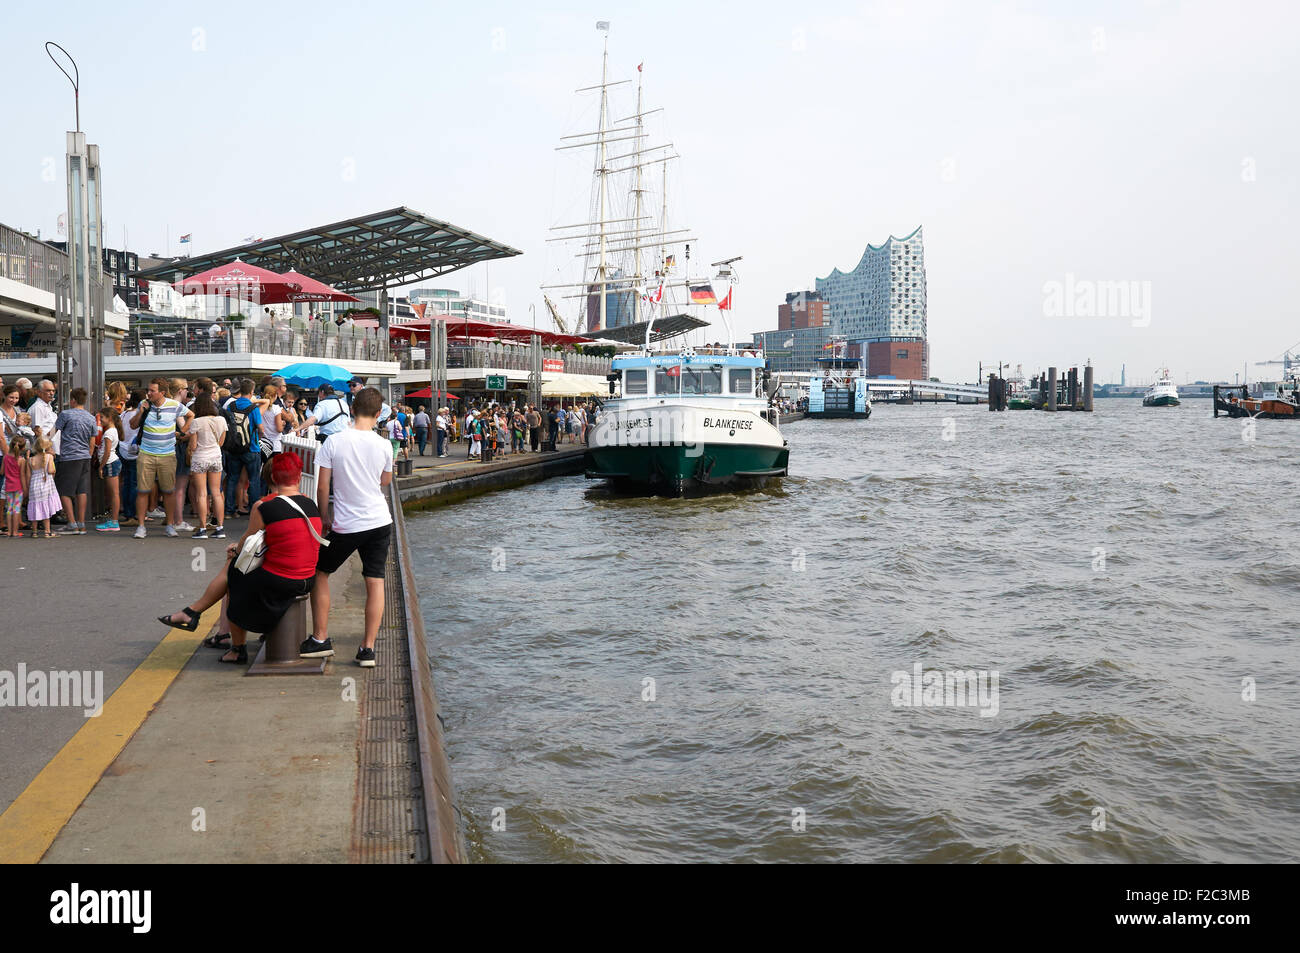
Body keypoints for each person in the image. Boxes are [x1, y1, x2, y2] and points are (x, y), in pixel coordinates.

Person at [157, 453, 324, 665]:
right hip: (307, 579)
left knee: (234, 577)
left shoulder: (263, 507)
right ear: (299, 477)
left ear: (272, 476)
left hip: (281, 580)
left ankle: (235, 648)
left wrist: (233, 551)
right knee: (237, 571)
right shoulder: (310, 504)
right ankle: (193, 614)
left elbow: (246, 544)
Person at [304, 386, 393, 667]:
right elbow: (385, 481)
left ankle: (320, 638)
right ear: (379, 414)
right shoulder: (384, 444)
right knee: (375, 580)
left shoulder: (334, 442)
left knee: (320, 572)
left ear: (352, 409)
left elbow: (322, 486)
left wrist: (323, 517)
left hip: (346, 524)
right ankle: (367, 649)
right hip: (379, 521)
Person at [130, 377, 188, 539]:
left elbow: (190, 415)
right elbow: (133, 425)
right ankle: (141, 526)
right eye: (148, 390)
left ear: (162, 392)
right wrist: (141, 411)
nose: (148, 393)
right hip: (146, 454)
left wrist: (183, 433)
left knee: (169, 491)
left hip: (167, 454)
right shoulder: (144, 404)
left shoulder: (174, 405)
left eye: (152, 391)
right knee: (142, 491)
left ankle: (170, 525)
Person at [50, 387, 98, 534]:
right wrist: (88, 455)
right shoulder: (90, 417)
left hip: (70, 457)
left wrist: (39, 438)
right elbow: (92, 440)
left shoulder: (65, 414)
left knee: (64, 491)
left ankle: (72, 523)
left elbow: (52, 433)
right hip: (84, 457)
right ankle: (81, 523)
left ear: (73, 400)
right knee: (81, 490)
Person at [187, 393, 228, 539]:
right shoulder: (221, 420)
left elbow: (193, 445)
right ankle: (220, 528)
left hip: (200, 458)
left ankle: (203, 529)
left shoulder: (196, 422)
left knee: (202, 494)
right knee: (216, 493)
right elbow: (221, 443)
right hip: (216, 457)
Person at [224, 379, 264, 520]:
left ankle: (229, 510)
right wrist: (259, 437)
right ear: (252, 391)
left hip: (234, 447)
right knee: (254, 480)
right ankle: (254, 510)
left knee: (233, 479)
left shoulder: (231, 405)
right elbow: (260, 428)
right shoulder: (253, 408)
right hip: (251, 448)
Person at [94, 407, 123, 532]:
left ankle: (114, 521)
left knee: (114, 493)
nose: (101, 421)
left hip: (110, 462)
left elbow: (107, 451)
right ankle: (113, 519)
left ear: (109, 418)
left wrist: (101, 466)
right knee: (113, 493)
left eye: (102, 418)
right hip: (112, 462)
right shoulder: (112, 430)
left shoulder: (108, 433)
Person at [25, 436, 60, 538]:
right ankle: (47, 531)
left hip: (33, 486)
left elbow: (28, 476)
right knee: (46, 507)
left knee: (34, 507)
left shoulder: (30, 459)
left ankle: (34, 532)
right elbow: (50, 471)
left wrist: (27, 488)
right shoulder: (49, 457)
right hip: (45, 485)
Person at [3, 434, 26, 539]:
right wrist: (25, 488)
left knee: (9, 509)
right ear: (22, 448)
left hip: (8, 485)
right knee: (16, 509)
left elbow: (1, 471)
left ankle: (9, 531)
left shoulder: (6, 457)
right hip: (18, 486)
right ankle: (15, 531)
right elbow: (22, 475)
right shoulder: (21, 460)